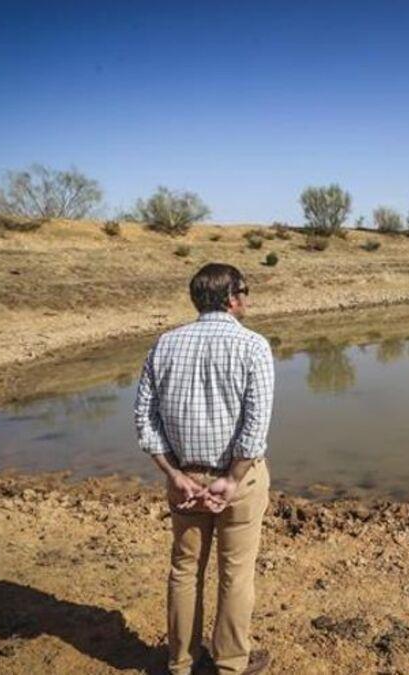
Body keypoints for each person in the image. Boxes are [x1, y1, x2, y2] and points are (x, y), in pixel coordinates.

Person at [135, 263, 276, 675]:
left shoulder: (164, 344)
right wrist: (232, 479)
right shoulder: (254, 346)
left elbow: (145, 420)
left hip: (185, 479)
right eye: (245, 291)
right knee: (235, 574)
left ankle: (181, 664)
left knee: (184, 570)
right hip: (240, 479)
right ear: (232, 298)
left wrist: (173, 474)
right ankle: (232, 664)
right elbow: (255, 425)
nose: (248, 298)